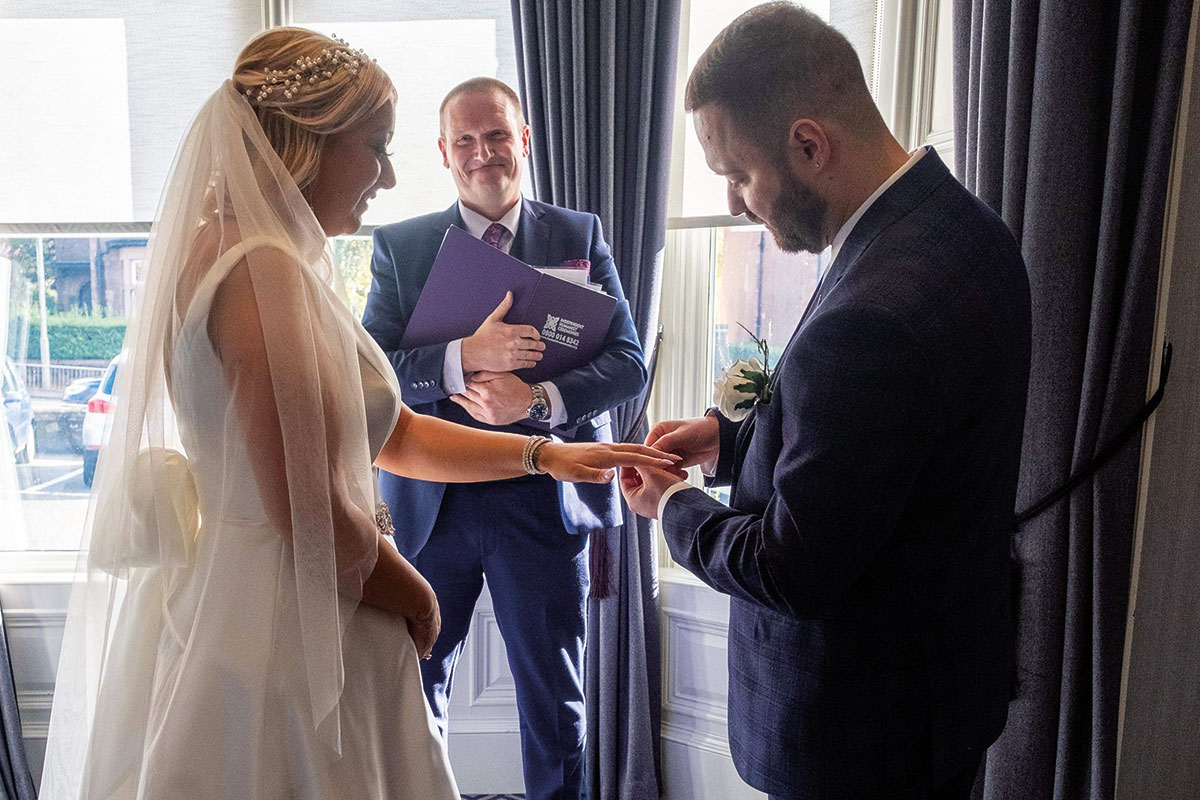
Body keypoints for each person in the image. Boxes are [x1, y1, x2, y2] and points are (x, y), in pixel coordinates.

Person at [39, 29, 674, 800]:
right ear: (313, 143)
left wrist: (543, 453)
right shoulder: (259, 271)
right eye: (376, 145)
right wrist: (414, 593)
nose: (388, 173)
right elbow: (302, 508)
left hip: (267, 591)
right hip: (282, 620)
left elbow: (391, 433)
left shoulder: (248, 251)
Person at [620, 4, 1032, 800]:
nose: (737, 202)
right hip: (942, 689)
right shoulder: (963, 228)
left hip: (860, 734)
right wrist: (725, 438)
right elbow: (884, 445)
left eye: (739, 175)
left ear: (810, 144)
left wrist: (672, 506)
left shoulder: (870, 316)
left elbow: (792, 565)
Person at [362, 77, 646, 800]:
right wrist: (466, 356)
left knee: (556, 703)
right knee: (412, 689)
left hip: (542, 504)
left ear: (523, 140)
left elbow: (627, 361)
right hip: (434, 506)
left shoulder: (578, 235)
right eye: (466, 140)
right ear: (443, 152)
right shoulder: (401, 247)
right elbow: (372, 374)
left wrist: (542, 398)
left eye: (497, 136)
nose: (483, 153)